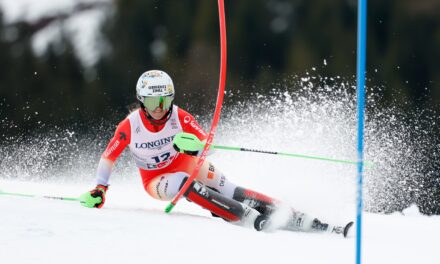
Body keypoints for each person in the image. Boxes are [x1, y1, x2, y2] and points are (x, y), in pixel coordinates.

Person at [80, 70, 353, 237]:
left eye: (165, 100)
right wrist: (100, 189)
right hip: (156, 180)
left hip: (185, 162)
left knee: (229, 187)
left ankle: (299, 217)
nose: (160, 108)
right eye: (153, 102)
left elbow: (206, 143)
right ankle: (243, 216)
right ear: (142, 101)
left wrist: (194, 146)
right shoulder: (130, 126)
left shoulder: (179, 117)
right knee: (181, 183)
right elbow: (108, 157)